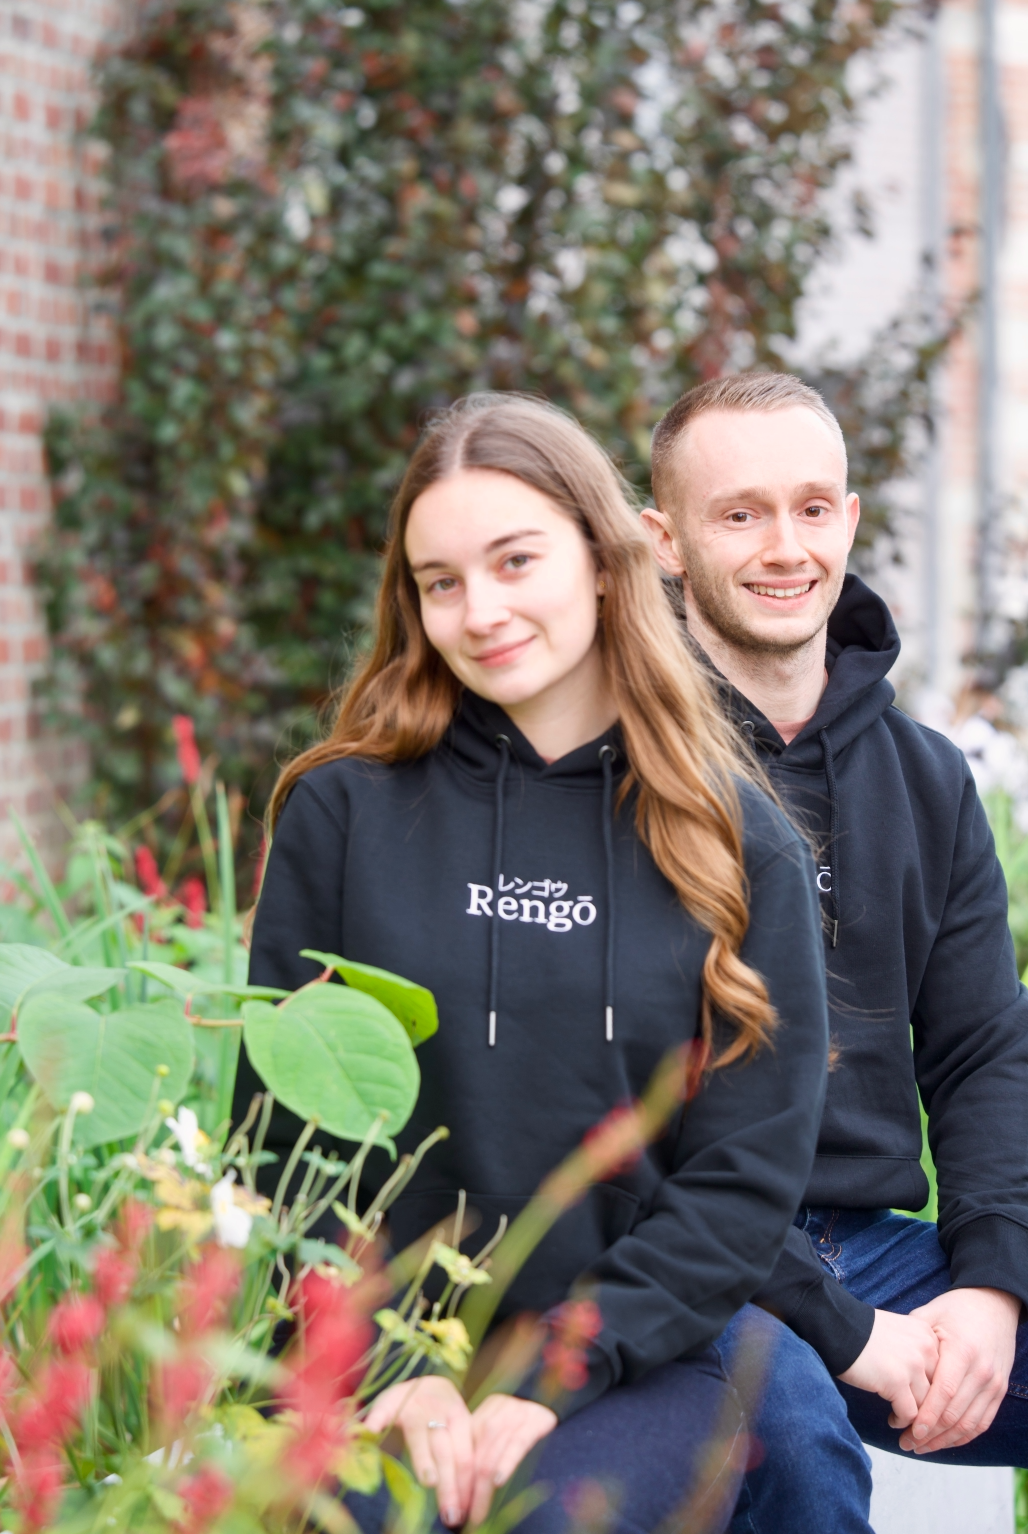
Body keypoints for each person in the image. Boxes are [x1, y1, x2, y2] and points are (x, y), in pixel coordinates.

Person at [237, 393, 830, 1534]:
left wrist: (555, 1369)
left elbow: (742, 1180)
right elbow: (281, 1148)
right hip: (388, 1353)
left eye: (515, 561)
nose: (480, 610)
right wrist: (367, 1373)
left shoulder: (732, 838)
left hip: (632, 1348)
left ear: (604, 564)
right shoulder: (343, 813)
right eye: (440, 580)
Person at [641, 371, 1028, 1534]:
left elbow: (977, 1052)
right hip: (694, 1261)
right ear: (664, 543)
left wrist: (991, 1285)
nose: (783, 546)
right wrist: (846, 1330)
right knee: (794, 1440)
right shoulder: (621, 772)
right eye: (739, 512)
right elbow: (612, 1120)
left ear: (849, 520)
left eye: (811, 507)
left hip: (871, 1245)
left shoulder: (924, 778)